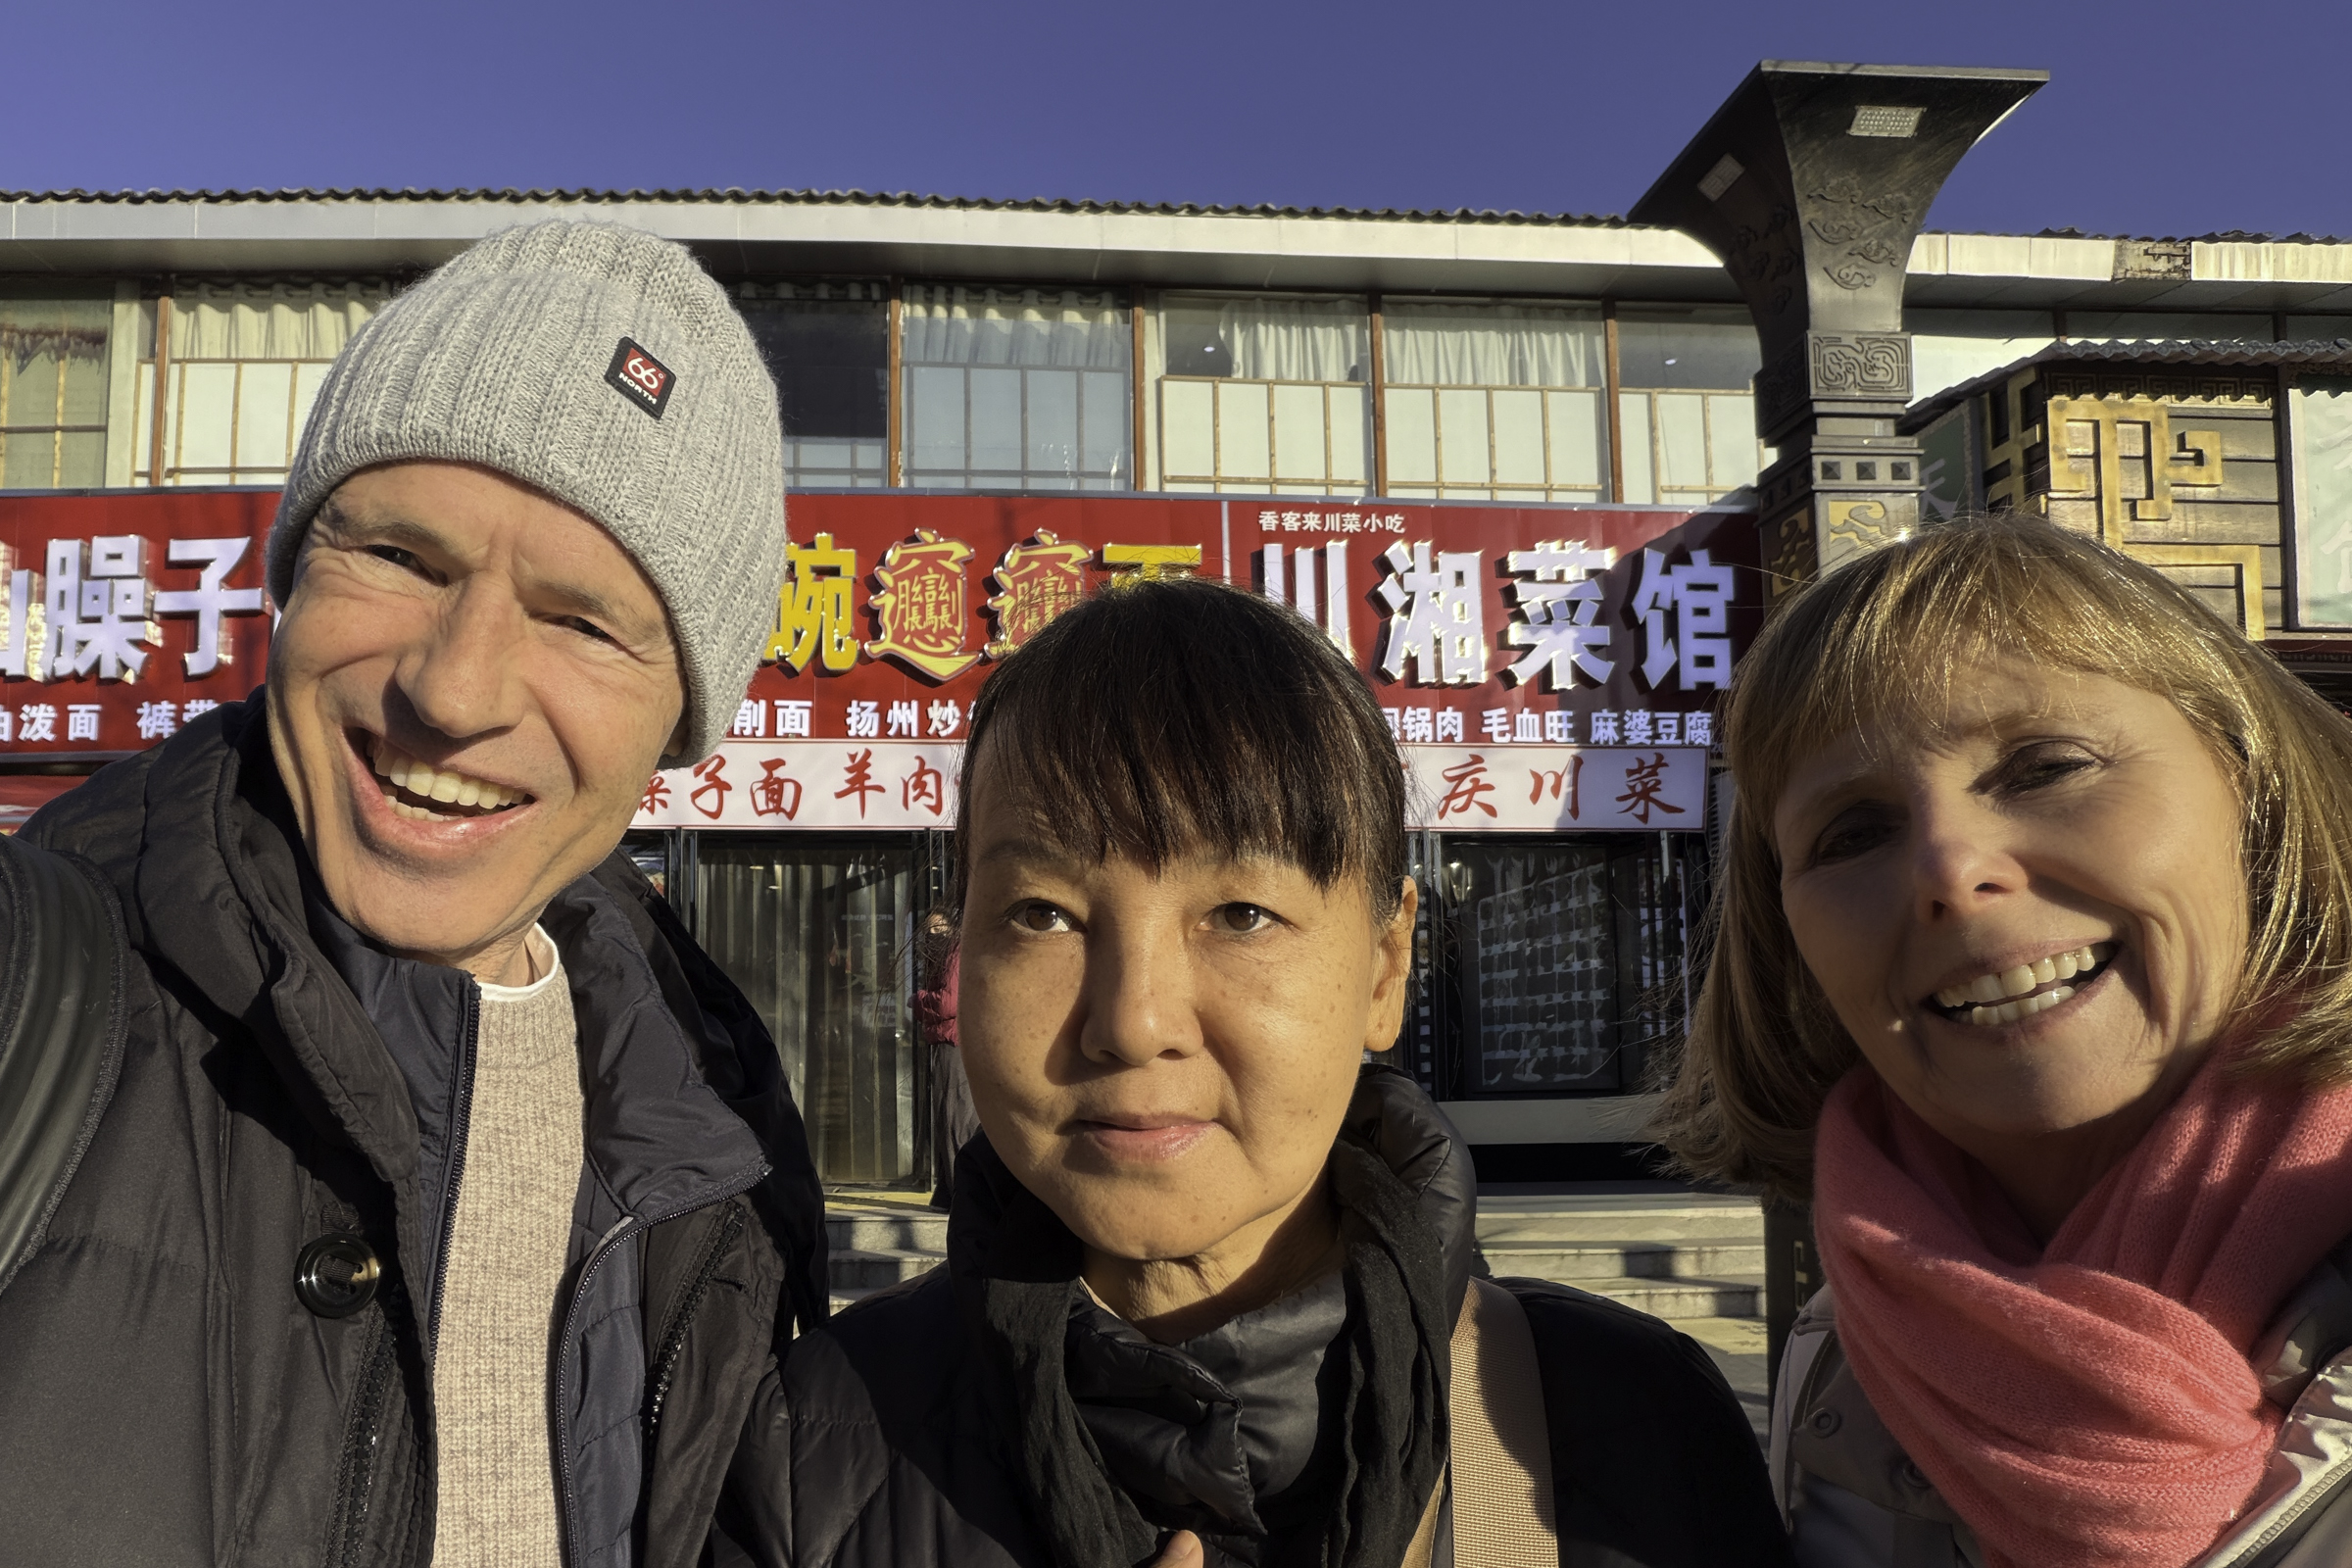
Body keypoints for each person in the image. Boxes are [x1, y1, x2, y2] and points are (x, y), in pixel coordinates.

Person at [0, 220, 829, 1566]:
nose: (453, 692)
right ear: (291, 579)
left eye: (582, 622)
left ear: (684, 719)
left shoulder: (719, 1129)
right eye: (399, 558)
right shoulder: (38, 992)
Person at [722, 577, 1789, 1568]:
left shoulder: (1633, 1426)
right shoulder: (806, 1453)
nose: (1133, 1024)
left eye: (1241, 914)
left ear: (1384, 964)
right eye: (1042, 912)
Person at [1651, 513, 2352, 1567]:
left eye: (2044, 768)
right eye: (1855, 831)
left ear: (2246, 786)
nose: (1948, 868)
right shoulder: (1842, 1352)